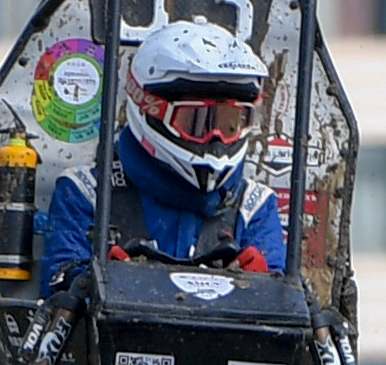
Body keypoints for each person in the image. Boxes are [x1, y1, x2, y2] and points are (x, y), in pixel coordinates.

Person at [40, 20, 286, 297]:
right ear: (151, 110)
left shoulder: (255, 206)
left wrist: (266, 288)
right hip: (117, 340)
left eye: (231, 123)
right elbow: (55, 292)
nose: (215, 139)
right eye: (197, 122)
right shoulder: (87, 193)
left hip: (226, 340)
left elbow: (285, 313)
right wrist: (91, 283)